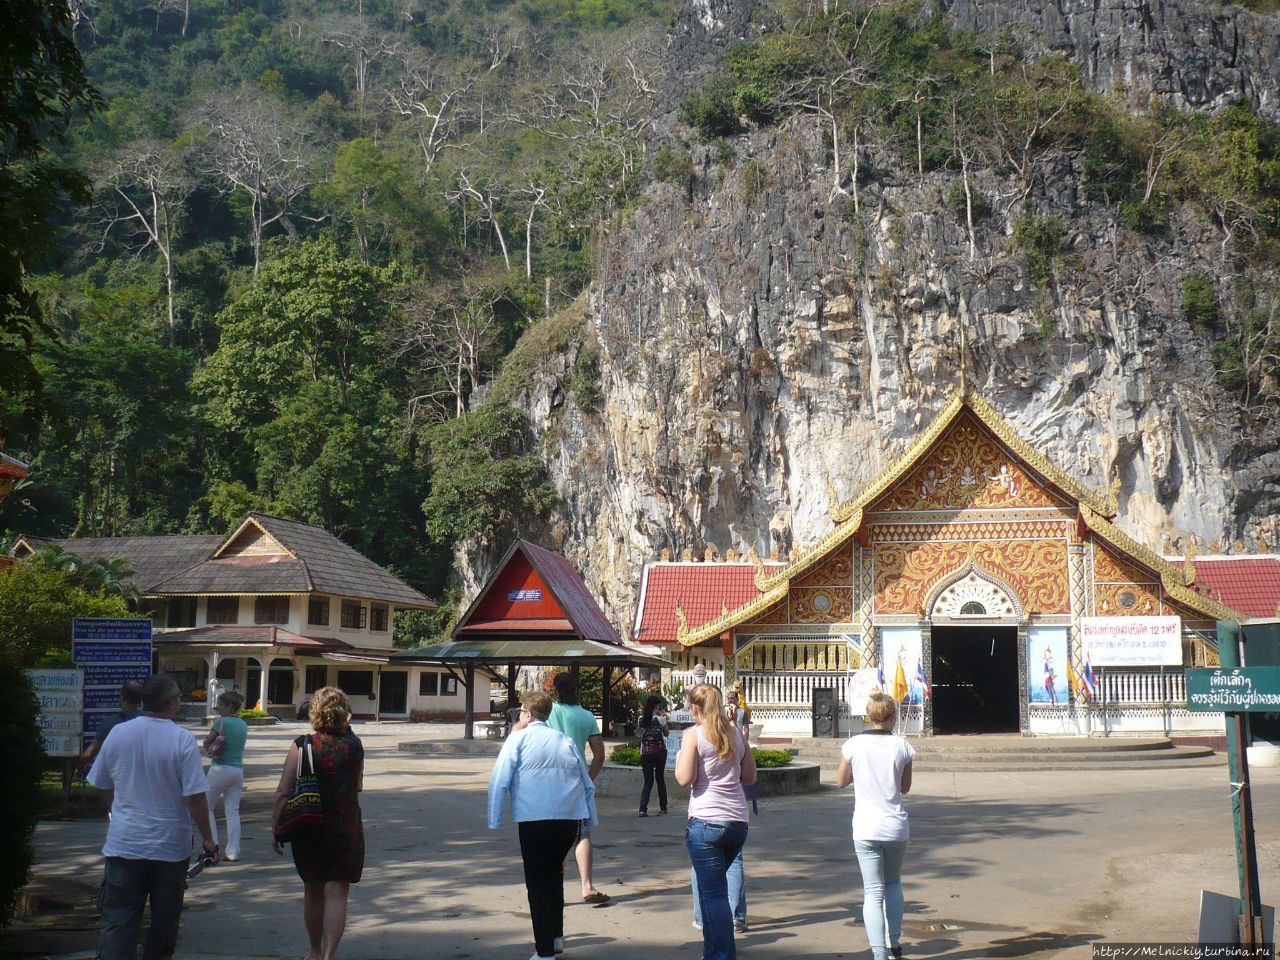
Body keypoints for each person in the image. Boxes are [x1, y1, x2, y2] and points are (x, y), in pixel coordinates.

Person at [86, 675, 216, 960]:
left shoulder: (119, 733)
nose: (180, 701)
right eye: (179, 697)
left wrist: (113, 814)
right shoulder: (181, 739)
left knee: (118, 919)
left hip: (125, 844)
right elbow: (195, 797)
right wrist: (208, 838)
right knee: (164, 921)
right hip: (170, 849)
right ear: (170, 703)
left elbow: (101, 783)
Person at [489, 690, 598, 960]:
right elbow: (586, 783)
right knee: (554, 875)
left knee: (537, 884)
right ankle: (556, 937)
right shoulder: (564, 740)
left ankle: (544, 951)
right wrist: (587, 820)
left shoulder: (518, 740)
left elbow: (499, 779)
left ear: (526, 713)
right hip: (567, 820)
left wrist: (495, 818)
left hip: (534, 818)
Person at [272, 687, 364, 960]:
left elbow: (283, 791)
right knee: (337, 892)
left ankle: (313, 951)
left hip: (308, 825)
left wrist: (275, 827)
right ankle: (328, 955)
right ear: (344, 713)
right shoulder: (354, 746)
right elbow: (357, 785)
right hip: (345, 825)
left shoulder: (303, 745)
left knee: (313, 890)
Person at [676, 683, 757, 960]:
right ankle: (711, 951)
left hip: (706, 822)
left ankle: (722, 954)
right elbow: (749, 776)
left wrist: (679, 759)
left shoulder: (694, 735)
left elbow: (684, 779)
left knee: (714, 896)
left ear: (696, 708)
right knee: (711, 890)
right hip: (736, 822)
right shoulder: (734, 733)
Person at [835, 690, 916, 960]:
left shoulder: (853, 745)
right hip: (894, 825)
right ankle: (894, 943)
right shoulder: (903, 746)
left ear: (869, 717)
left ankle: (879, 953)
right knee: (893, 883)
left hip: (866, 826)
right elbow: (904, 788)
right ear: (893, 717)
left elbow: (841, 781)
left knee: (872, 890)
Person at [547, 672, 609, 904]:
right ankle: (587, 886)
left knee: (554, 837)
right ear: (577, 690)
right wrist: (588, 781)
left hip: (551, 781)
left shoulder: (548, 712)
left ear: (555, 691)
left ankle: (555, 891)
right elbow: (599, 756)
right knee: (582, 833)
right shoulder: (587, 717)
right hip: (577, 782)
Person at [203, 691, 248, 862]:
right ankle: (233, 852)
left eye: (221, 705)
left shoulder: (221, 722)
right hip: (237, 770)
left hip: (220, 769)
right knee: (233, 811)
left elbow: (208, 741)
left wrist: (207, 744)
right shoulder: (243, 724)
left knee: (207, 807)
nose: (219, 708)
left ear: (229, 706)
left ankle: (213, 846)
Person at [76, 680, 143, 776]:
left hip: (119, 778)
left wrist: (79, 766)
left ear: (123, 698)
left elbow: (91, 752)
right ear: (140, 701)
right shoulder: (149, 721)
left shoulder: (111, 722)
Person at [637, 695, 669, 816]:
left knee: (648, 781)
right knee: (660, 779)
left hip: (645, 752)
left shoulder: (641, 719)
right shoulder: (660, 719)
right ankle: (663, 807)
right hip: (659, 752)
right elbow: (666, 733)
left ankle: (642, 808)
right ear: (656, 706)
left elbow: (639, 735)